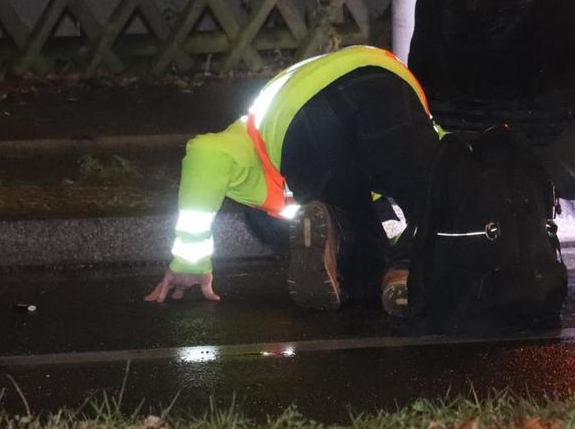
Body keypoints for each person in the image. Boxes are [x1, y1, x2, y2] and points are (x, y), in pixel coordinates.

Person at [143, 46, 441, 315]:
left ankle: (366, 267)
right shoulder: (251, 140)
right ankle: (405, 271)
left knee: (359, 247)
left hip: (304, 117)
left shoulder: (253, 145)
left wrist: (190, 261)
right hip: (382, 82)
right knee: (438, 203)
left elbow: (205, 152)